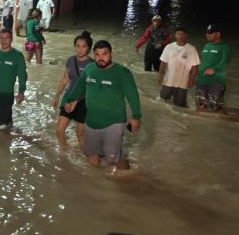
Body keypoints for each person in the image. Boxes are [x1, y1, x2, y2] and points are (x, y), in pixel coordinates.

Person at [63, 40, 141, 170]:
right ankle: (96, 179)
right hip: (91, 122)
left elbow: (133, 96)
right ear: (94, 55)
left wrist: (136, 116)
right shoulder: (89, 69)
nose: (101, 58)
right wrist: (70, 100)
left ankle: (128, 174)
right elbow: (79, 87)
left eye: (104, 54)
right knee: (91, 156)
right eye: (97, 54)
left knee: (113, 158)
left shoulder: (122, 73)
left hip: (114, 122)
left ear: (111, 54)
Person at [53, 31, 94, 146]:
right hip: (69, 97)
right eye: (78, 46)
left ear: (89, 48)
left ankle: (82, 155)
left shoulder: (92, 65)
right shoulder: (71, 60)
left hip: (85, 101)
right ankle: (64, 153)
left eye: (84, 46)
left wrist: (76, 101)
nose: (80, 49)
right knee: (59, 131)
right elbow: (65, 78)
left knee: (80, 134)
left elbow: (91, 88)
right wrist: (57, 96)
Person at [158, 27, 200, 108]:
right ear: (175, 35)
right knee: (162, 102)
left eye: (182, 34)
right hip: (168, 81)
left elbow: (195, 67)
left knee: (180, 106)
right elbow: (163, 63)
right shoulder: (169, 47)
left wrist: (191, 80)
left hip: (182, 83)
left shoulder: (191, 49)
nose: (180, 36)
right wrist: (160, 75)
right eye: (178, 34)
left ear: (186, 35)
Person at [196, 24, 232, 113]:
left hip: (216, 81)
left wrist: (214, 70)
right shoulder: (207, 45)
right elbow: (204, 61)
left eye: (210, 33)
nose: (207, 35)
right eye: (207, 33)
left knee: (216, 108)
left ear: (218, 34)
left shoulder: (225, 47)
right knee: (200, 105)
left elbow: (226, 62)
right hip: (202, 80)